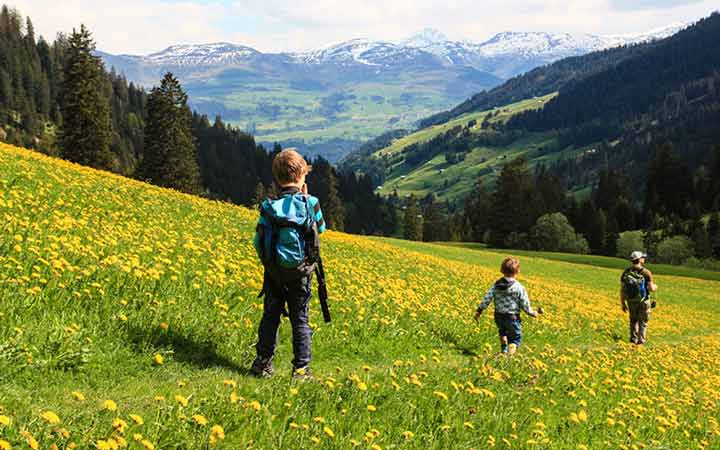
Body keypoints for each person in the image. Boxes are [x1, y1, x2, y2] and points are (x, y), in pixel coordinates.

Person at [250, 148, 326, 379]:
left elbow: (258, 241)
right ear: (302, 176)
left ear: (277, 178)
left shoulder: (268, 207)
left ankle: (263, 364)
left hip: (274, 274)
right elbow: (321, 229)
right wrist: (306, 198)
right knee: (300, 319)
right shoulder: (310, 202)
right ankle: (301, 370)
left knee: (270, 316)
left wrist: (272, 264)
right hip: (301, 274)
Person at [474, 257, 543, 354]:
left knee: (502, 332)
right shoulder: (519, 287)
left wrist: (479, 311)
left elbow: (487, 298)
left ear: (502, 270)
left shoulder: (496, 285)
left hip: (498, 316)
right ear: (518, 271)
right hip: (512, 317)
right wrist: (533, 313)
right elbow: (525, 304)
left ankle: (503, 350)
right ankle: (509, 356)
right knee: (515, 339)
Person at [620, 251, 657, 345]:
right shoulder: (646, 272)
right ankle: (641, 343)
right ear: (640, 260)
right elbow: (651, 288)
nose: (644, 259)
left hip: (631, 301)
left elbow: (622, 289)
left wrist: (623, 303)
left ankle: (633, 341)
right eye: (643, 258)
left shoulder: (626, 272)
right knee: (643, 322)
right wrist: (655, 287)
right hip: (644, 301)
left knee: (633, 321)